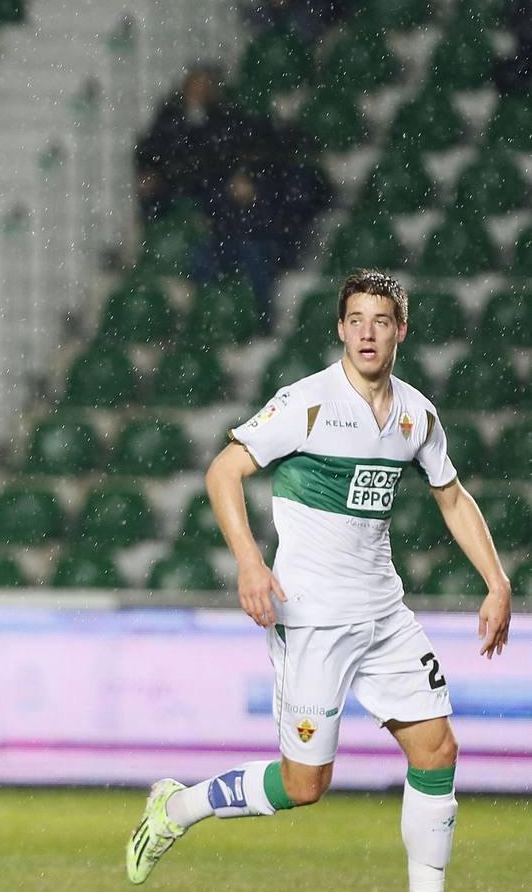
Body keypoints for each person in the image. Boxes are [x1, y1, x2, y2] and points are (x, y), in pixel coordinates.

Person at [126, 270, 513, 891]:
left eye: (380, 321)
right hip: (311, 614)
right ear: (339, 328)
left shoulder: (418, 414)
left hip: (384, 613)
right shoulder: (305, 402)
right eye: (355, 320)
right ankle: (177, 808)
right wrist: (251, 563)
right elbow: (223, 473)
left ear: (401, 331)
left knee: (437, 751)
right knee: (305, 785)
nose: (367, 333)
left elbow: (452, 496)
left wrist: (496, 581)